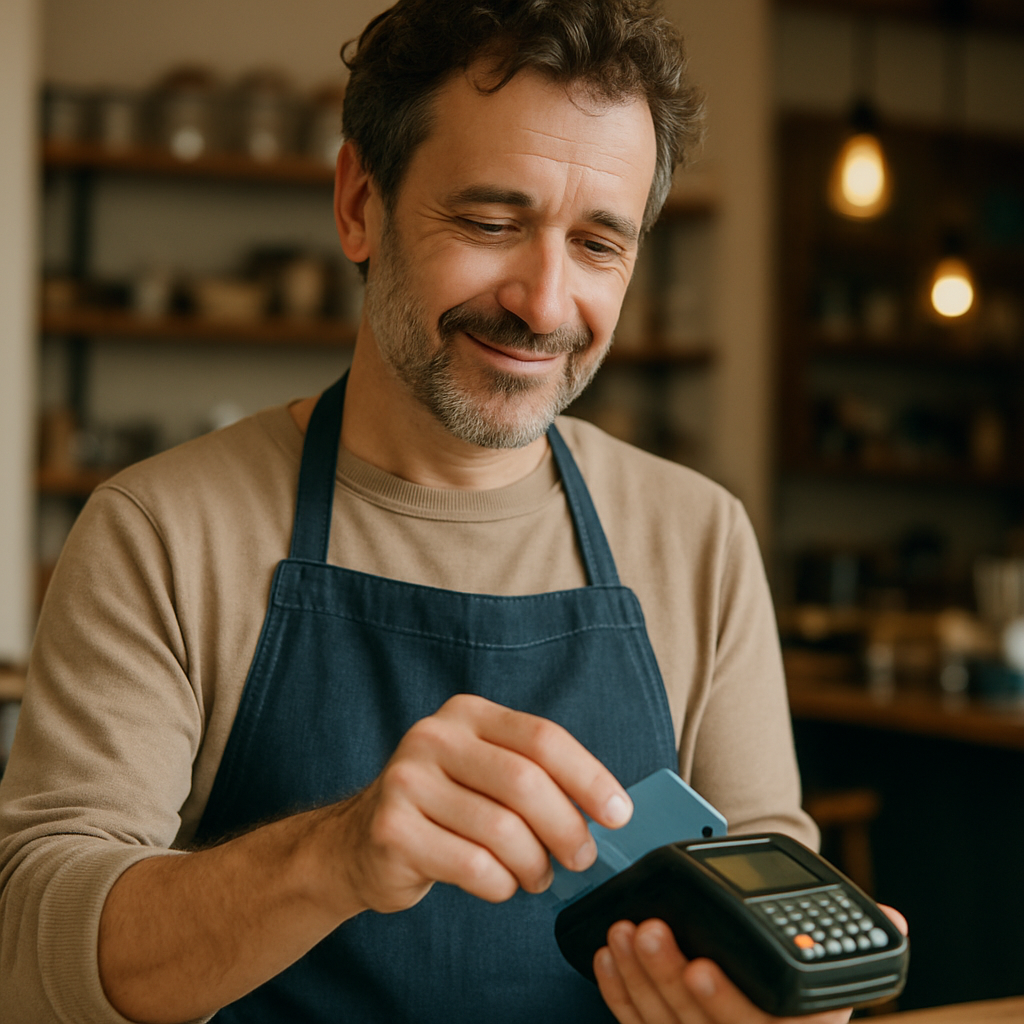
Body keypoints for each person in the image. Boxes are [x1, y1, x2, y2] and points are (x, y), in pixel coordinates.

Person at [0, 1, 905, 1022]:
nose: (545, 303)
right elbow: (33, 949)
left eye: (600, 244)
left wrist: (782, 1002)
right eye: (488, 222)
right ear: (358, 203)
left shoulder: (697, 538)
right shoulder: (160, 532)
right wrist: (333, 855)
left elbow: (772, 908)